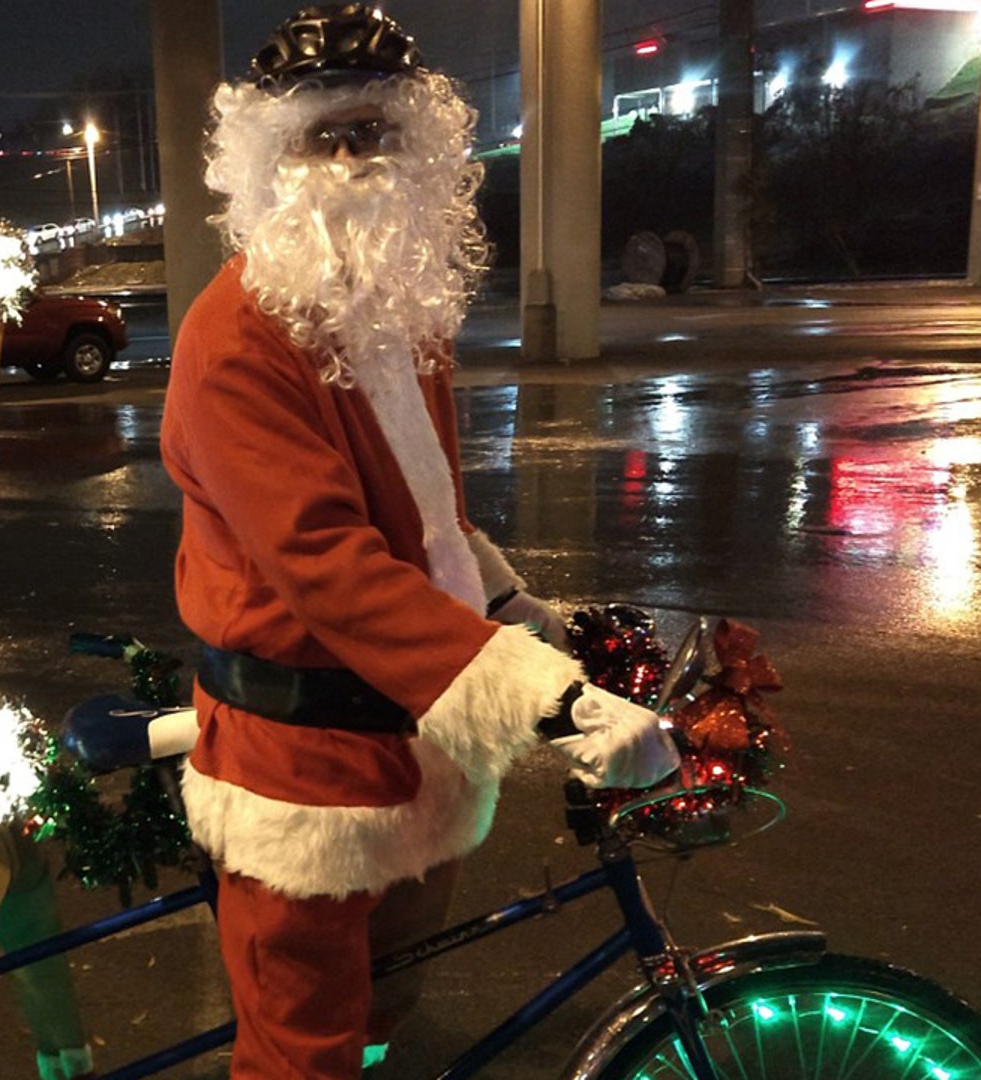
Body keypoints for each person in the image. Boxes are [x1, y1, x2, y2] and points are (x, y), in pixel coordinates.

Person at [159, 6, 682, 1077]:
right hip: (299, 774)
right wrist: (549, 700)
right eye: (324, 137)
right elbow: (328, 566)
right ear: (271, 162)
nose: (353, 162)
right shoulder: (236, 336)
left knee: (387, 1010)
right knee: (301, 1055)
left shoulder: (398, 315)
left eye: (376, 133)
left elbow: (427, 519)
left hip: (415, 744)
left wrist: (518, 610)